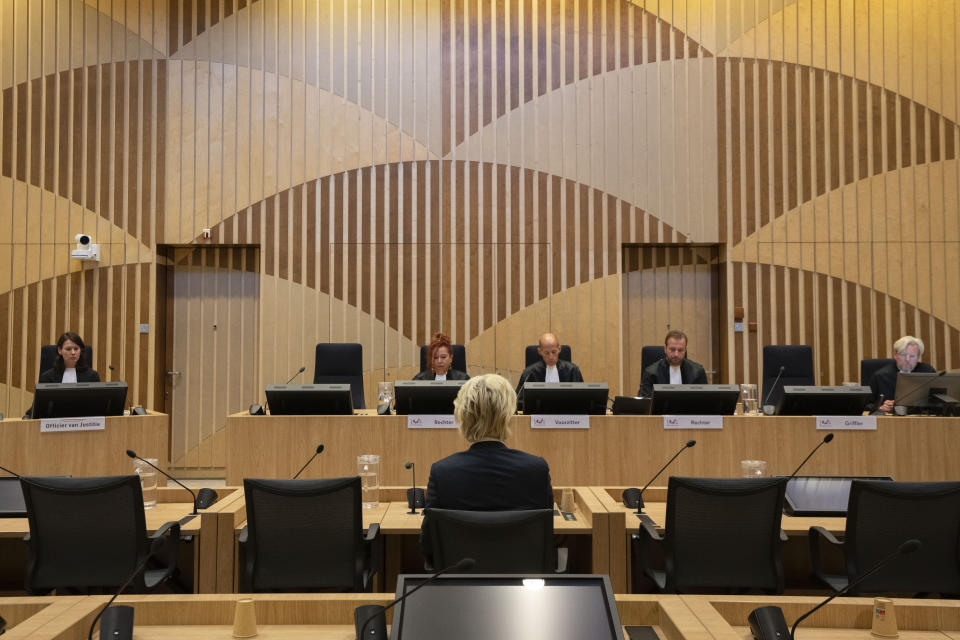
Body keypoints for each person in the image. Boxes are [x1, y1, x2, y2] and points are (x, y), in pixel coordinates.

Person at [420, 373, 553, 564]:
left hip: (459, 587)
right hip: (522, 588)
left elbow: (428, 547)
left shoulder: (442, 473)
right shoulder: (536, 470)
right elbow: (547, 541)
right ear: (508, 417)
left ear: (463, 416)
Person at [868, 335, 935, 414]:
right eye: (903, 355)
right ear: (895, 355)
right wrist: (879, 407)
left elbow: (936, 402)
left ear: (918, 357)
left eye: (912, 356)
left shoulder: (928, 373)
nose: (907, 359)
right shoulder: (880, 376)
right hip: (890, 422)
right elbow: (867, 404)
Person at [638, 330, 706, 397]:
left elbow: (705, 400)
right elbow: (645, 402)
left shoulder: (697, 372)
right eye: (672, 350)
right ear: (665, 349)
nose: (676, 354)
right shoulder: (651, 373)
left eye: (680, 350)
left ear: (685, 350)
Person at [515, 332, 583, 396]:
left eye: (554, 352)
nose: (551, 357)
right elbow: (518, 400)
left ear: (559, 349)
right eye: (546, 353)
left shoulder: (573, 371)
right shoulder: (529, 373)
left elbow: (583, 397)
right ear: (540, 351)